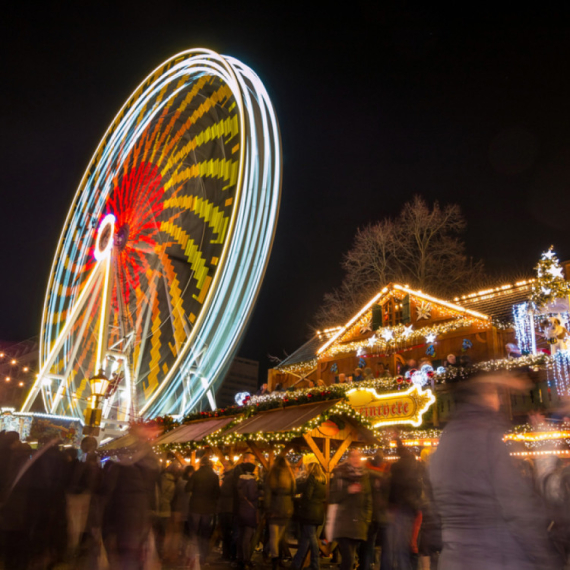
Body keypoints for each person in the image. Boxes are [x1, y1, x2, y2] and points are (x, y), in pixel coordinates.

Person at [429, 373, 563, 570]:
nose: (500, 401)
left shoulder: (445, 441)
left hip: (455, 556)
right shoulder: (486, 437)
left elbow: (435, 505)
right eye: (496, 394)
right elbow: (516, 505)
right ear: (484, 397)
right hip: (494, 556)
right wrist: (545, 558)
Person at [329, 449, 372, 570]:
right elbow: (332, 497)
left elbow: (368, 500)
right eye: (353, 456)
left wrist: (366, 519)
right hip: (343, 523)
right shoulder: (340, 474)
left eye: (358, 456)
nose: (356, 458)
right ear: (349, 459)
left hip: (358, 524)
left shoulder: (364, 476)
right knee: (348, 559)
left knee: (350, 559)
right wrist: (348, 491)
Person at [386, 444, 423, 570]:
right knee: (410, 545)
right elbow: (417, 489)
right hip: (411, 508)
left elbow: (392, 488)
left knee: (397, 546)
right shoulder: (416, 469)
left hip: (397, 508)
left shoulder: (395, 468)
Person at [292, 462, 327, 570]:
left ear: (311, 470)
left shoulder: (311, 479)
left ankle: (315, 564)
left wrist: (301, 498)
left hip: (309, 513)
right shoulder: (323, 480)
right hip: (318, 513)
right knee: (305, 540)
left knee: (311, 539)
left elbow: (308, 495)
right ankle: (296, 564)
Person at [186, 455, 221, 565]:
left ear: (201, 464)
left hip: (195, 507)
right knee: (205, 534)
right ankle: (203, 557)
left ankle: (191, 556)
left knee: (193, 533)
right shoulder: (214, 476)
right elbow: (218, 493)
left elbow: (187, 488)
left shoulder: (196, 474)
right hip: (208, 509)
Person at [358, 451, 389, 570]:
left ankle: (366, 566)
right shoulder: (387, 474)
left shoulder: (366, 475)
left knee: (368, 544)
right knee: (385, 546)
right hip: (384, 514)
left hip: (371, 515)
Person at [265, 456, 296, 570]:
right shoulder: (290, 474)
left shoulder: (271, 475)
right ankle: (278, 558)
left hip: (274, 508)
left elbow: (268, 495)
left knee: (274, 536)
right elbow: (293, 492)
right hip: (287, 509)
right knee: (280, 536)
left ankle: (274, 560)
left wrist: (267, 509)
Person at [236, 459, 260, 569]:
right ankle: (246, 559)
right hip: (249, 511)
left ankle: (239, 558)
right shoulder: (251, 482)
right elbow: (252, 495)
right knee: (247, 537)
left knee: (241, 535)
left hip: (241, 509)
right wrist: (259, 493)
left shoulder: (240, 481)